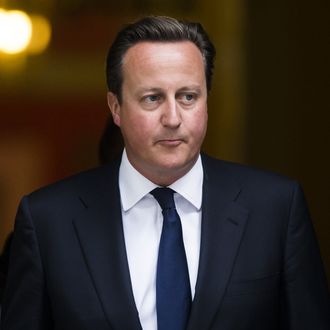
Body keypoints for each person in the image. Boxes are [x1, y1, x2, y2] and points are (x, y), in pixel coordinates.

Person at [1, 16, 329, 330]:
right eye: (152, 98)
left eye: (188, 97)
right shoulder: (48, 221)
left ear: (206, 101)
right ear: (116, 108)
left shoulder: (275, 209)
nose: (172, 118)